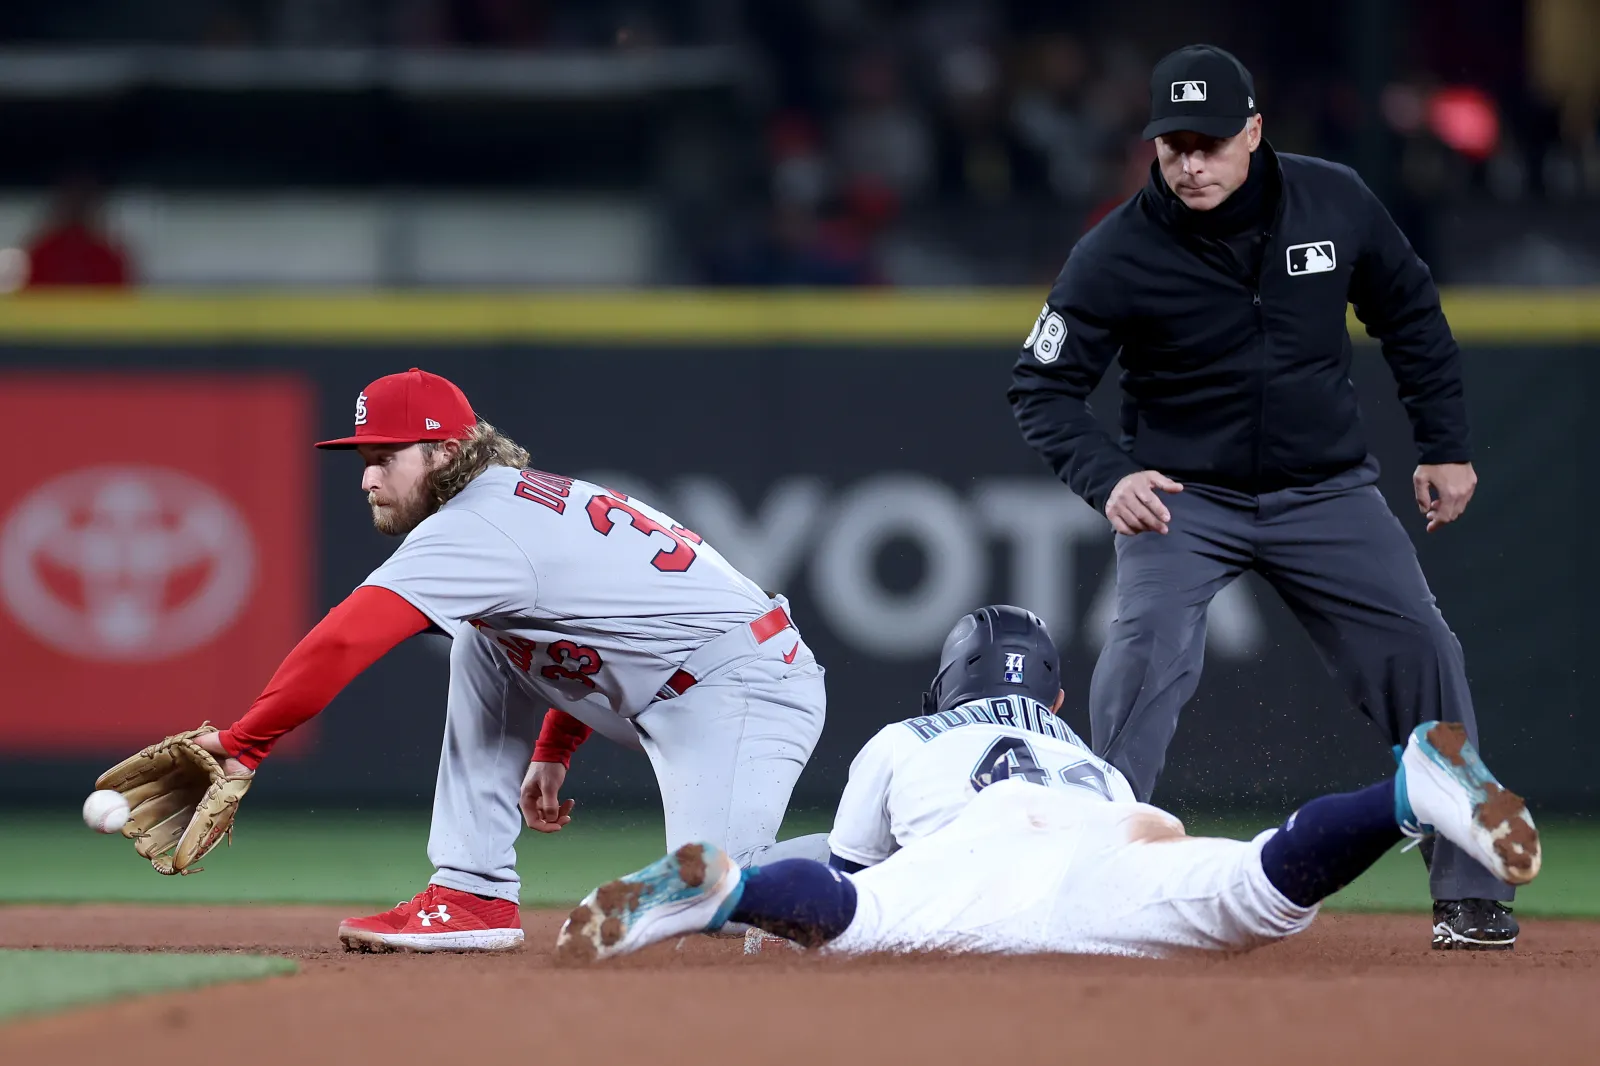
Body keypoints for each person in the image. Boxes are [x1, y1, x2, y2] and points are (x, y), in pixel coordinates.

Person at [1006, 44, 1515, 949]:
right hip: (1184, 498)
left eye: (1208, 142)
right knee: (1144, 654)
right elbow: (1040, 386)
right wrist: (1109, 473)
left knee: (1424, 650)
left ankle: (1471, 891)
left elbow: (1411, 313)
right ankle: (1082, 877)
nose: (1190, 163)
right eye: (1173, 146)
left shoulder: (1333, 200)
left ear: (1253, 131)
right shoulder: (1117, 249)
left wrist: (1444, 445)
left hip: (1325, 492)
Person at [153, 367, 828, 951]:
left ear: (445, 452)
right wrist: (554, 746)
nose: (367, 477)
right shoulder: (511, 503)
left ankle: (878, 864)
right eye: (363, 457)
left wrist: (245, 743)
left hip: (744, 688)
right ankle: (470, 892)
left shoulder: (478, 525)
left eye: (386, 456)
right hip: (678, 678)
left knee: (717, 904)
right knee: (480, 634)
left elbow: (344, 639)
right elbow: (606, 622)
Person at [555, 607, 1540, 961]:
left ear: (944, 688)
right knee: (1252, 889)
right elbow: (1128, 823)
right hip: (1112, 825)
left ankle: (719, 883)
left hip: (979, 843)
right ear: (1058, 694)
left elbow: (853, 871)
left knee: (852, 921)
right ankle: (1404, 791)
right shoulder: (1091, 750)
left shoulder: (905, 734)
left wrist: (776, 897)